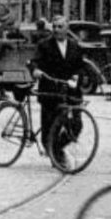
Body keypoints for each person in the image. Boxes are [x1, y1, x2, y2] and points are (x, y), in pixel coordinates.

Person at [31, 15, 87, 166]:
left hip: (70, 91)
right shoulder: (44, 45)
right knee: (49, 126)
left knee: (76, 125)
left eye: (60, 27)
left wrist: (77, 77)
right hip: (51, 91)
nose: (56, 30)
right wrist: (36, 70)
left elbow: (80, 66)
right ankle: (55, 154)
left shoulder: (75, 46)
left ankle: (57, 147)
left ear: (67, 28)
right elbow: (35, 61)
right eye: (54, 27)